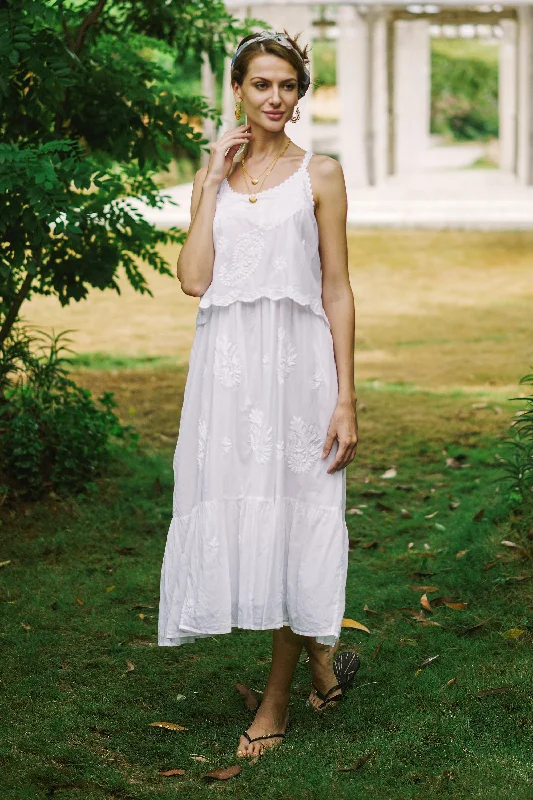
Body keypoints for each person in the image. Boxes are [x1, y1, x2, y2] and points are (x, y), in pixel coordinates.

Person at [157, 29, 359, 760]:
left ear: (298, 97)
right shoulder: (211, 175)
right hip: (226, 374)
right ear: (237, 91)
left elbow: (335, 287)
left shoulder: (322, 175)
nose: (275, 98)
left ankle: (276, 701)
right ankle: (317, 657)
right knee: (252, 513)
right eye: (261, 85)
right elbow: (192, 278)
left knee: (296, 513)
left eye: (287, 87)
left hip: (298, 371)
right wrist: (209, 182)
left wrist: (345, 397)